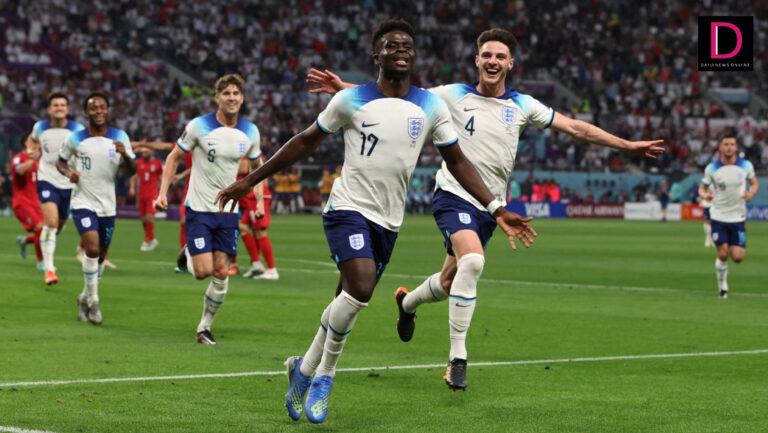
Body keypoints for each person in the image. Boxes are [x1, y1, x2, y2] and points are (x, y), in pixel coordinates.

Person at [308, 27, 664, 391]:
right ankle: (457, 360)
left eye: (500, 57)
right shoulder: (451, 95)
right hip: (454, 195)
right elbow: (396, 98)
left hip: (491, 205)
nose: (493, 61)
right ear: (477, 60)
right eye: (487, 55)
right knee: (474, 261)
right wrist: (345, 89)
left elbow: (576, 129)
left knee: (450, 281)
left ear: (510, 64)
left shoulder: (523, 105)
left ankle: (408, 303)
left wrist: (627, 146)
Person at [216, 20, 536, 424]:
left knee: (346, 299)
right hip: (347, 208)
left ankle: (303, 367)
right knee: (362, 288)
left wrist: (496, 208)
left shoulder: (430, 106)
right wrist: (250, 180)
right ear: (376, 55)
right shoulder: (350, 101)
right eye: (391, 45)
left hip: (388, 221)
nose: (401, 50)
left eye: (407, 46)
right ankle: (325, 376)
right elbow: (304, 141)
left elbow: (457, 161)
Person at [155, 74, 263, 345]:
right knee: (202, 272)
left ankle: (204, 328)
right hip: (200, 208)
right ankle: (189, 251)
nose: (231, 98)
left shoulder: (250, 131)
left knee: (222, 272)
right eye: (226, 93)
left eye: (236, 93)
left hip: (228, 212)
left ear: (242, 98)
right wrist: (162, 193)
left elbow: (257, 169)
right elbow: (174, 157)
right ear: (217, 98)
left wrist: (260, 201)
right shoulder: (198, 126)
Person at [57, 92, 137, 325]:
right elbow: (60, 162)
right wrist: (68, 173)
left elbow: (132, 170)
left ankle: (84, 297)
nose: (99, 111)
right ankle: (94, 301)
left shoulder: (120, 137)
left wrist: (125, 155)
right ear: (86, 112)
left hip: (108, 205)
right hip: (82, 202)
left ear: (107, 110)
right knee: (91, 249)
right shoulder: (76, 138)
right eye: (94, 108)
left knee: (101, 255)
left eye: (102, 107)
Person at [30, 93, 86, 284]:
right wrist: (31, 149)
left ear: (67, 109)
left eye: (63, 105)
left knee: (57, 227)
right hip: (47, 179)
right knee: (52, 223)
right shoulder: (40, 127)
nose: (59, 108)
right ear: (49, 109)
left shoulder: (77, 129)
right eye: (56, 105)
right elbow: (32, 139)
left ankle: (44, 240)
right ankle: (49, 270)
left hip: (69, 183)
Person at [698, 132, 759, 299]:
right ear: (720, 147)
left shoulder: (746, 166)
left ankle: (724, 277)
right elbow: (702, 189)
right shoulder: (712, 168)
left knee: (738, 257)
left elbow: (754, 184)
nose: (729, 147)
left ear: (736, 147)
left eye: (732, 144)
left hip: (738, 217)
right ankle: (722, 287)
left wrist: (750, 193)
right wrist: (705, 195)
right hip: (718, 215)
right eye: (726, 144)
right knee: (723, 254)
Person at [12, 135, 44, 270]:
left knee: (48, 231)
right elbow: (20, 171)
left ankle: (25, 240)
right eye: (33, 140)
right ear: (26, 143)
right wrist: (32, 158)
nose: (37, 142)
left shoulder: (38, 162)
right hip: (22, 202)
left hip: (36, 201)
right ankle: (41, 262)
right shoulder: (19, 158)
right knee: (40, 229)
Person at [129, 148, 163, 251]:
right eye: (142, 152)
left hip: (152, 194)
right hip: (141, 194)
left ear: (152, 152)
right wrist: (132, 187)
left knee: (149, 217)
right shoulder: (139, 163)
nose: (143, 154)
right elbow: (134, 176)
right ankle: (153, 238)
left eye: (146, 152)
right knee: (143, 220)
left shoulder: (157, 163)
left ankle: (146, 241)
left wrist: (162, 193)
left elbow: (161, 178)